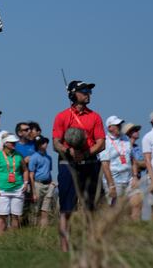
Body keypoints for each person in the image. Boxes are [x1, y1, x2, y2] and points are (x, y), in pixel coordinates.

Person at [52, 80, 106, 252]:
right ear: (73, 94)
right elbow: (56, 143)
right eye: (83, 91)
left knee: (92, 208)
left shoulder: (95, 116)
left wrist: (86, 153)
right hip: (68, 165)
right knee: (66, 209)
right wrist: (68, 151)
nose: (88, 93)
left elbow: (101, 143)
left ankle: (92, 246)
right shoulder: (62, 116)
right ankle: (64, 248)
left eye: (89, 91)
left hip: (90, 163)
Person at [0, 133, 28, 234]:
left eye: (15, 142)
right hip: (2, 190)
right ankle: (0, 240)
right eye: (12, 142)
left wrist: (26, 183)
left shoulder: (18, 155)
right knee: (2, 216)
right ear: (5, 143)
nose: (14, 144)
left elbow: (25, 170)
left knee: (16, 216)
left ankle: (13, 240)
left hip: (17, 189)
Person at [99, 116, 137, 206]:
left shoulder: (126, 139)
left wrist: (135, 176)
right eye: (117, 125)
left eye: (120, 124)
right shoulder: (105, 141)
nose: (119, 126)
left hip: (129, 180)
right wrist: (111, 185)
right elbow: (105, 165)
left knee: (136, 204)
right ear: (109, 127)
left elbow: (133, 160)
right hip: (115, 181)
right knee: (116, 209)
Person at [28, 136, 54, 227]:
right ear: (38, 145)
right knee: (35, 209)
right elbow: (31, 174)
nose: (45, 144)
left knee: (45, 209)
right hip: (37, 183)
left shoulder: (49, 158)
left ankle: (44, 230)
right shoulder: (34, 157)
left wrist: (52, 182)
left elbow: (49, 171)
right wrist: (33, 191)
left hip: (48, 184)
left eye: (45, 142)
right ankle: (33, 228)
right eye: (42, 143)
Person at [123, 122, 145, 221]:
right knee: (125, 210)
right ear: (128, 133)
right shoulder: (123, 146)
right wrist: (136, 163)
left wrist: (135, 163)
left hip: (136, 180)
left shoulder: (137, 148)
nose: (138, 131)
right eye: (135, 130)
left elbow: (144, 164)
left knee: (137, 205)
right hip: (124, 180)